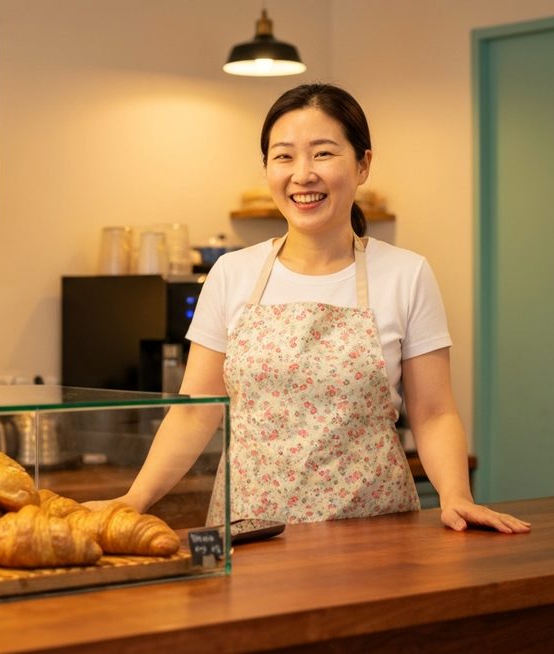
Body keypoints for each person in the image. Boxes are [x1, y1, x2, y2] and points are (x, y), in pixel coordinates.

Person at [104, 83, 529, 533]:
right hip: (252, 535)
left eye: (323, 154)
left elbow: (434, 412)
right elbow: (195, 411)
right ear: (267, 167)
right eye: (283, 156)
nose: (302, 174)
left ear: (363, 164)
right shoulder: (232, 275)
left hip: (374, 534)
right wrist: (135, 499)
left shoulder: (407, 274)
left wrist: (455, 496)